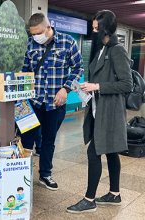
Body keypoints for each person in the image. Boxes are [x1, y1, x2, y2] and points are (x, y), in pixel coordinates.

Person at [67, 10, 133, 213]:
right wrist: (87, 87)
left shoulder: (117, 50)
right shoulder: (102, 48)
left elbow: (127, 84)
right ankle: (114, 194)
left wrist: (97, 87)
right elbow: (101, 77)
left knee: (93, 151)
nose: (93, 31)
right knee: (112, 152)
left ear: (105, 29)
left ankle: (89, 199)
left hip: (110, 113)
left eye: (96, 28)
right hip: (98, 109)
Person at [21, 13, 83, 190]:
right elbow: (25, 71)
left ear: (49, 27)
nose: (36, 37)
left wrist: (66, 89)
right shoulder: (30, 44)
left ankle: (45, 174)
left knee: (48, 141)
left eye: (38, 33)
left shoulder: (67, 41)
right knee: (26, 141)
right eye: (32, 34)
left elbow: (78, 67)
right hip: (32, 102)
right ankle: (22, 174)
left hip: (55, 104)